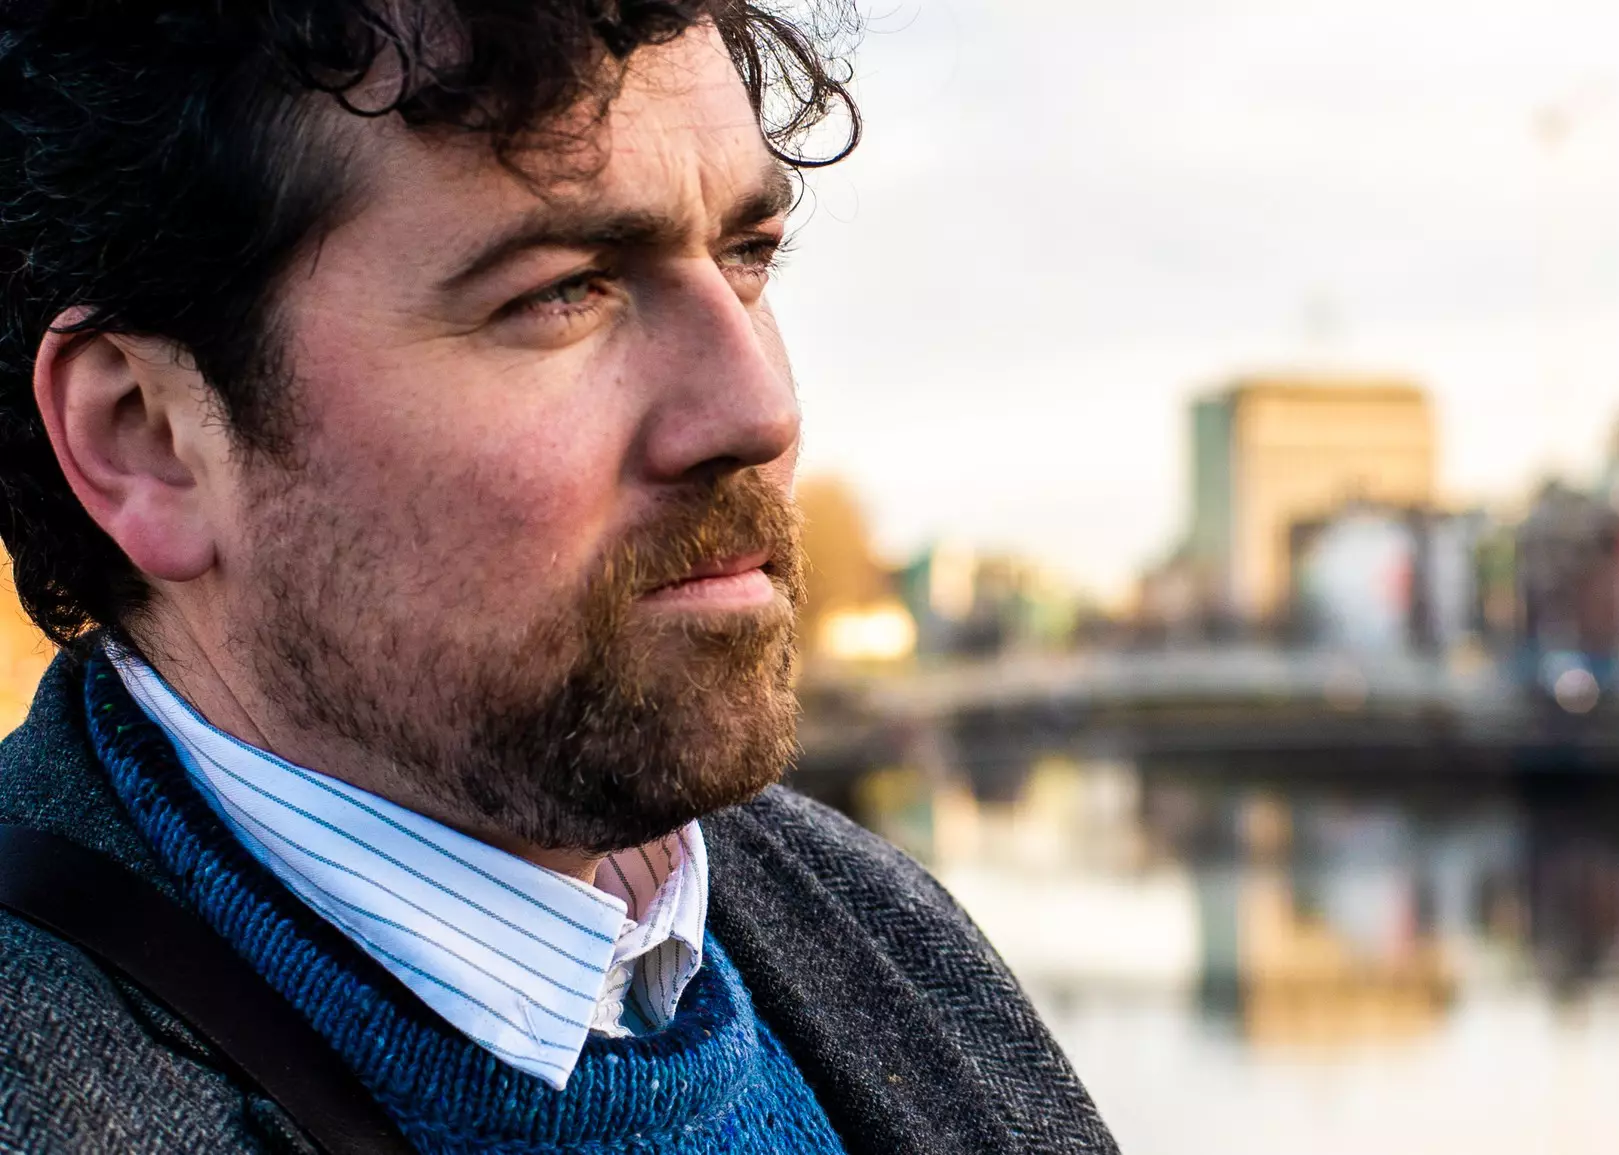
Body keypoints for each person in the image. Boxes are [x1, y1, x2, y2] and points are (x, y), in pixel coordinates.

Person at [0, 2, 1116, 1152]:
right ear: (148, 437)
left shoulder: (875, 921)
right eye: (561, 290)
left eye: (745, 257)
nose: (757, 412)